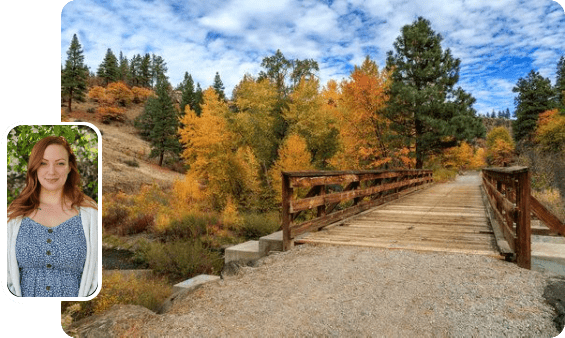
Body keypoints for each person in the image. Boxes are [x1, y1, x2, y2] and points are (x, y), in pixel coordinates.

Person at [6, 135, 98, 297]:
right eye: (43, 163)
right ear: (34, 167)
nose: (51, 172)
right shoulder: (14, 215)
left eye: (60, 163)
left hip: (74, 317)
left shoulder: (91, 215)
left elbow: (96, 276)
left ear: (70, 167)